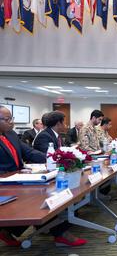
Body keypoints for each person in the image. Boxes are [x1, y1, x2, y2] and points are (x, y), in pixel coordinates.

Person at [0, 106, 86, 247]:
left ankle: (7, 230)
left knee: (44, 195)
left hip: (18, 180)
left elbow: (29, 153)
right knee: (39, 200)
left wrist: (55, 158)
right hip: (5, 182)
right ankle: (60, 234)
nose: (11, 122)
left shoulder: (11, 134)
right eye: (7, 119)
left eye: (12, 118)